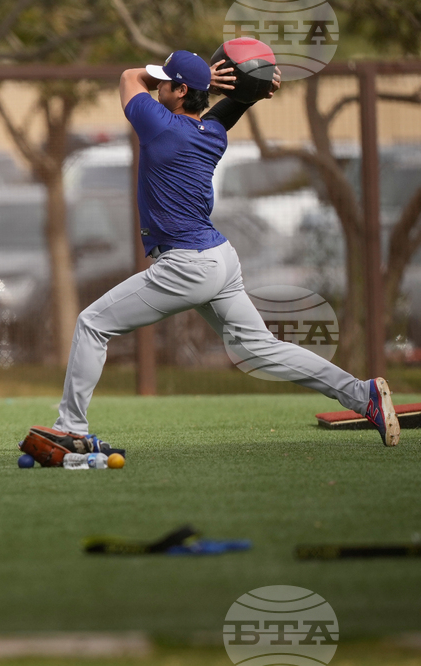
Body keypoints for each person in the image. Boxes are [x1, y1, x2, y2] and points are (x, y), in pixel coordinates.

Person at [51, 50, 400, 447]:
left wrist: (214, 83)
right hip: (219, 260)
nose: (158, 85)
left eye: (167, 82)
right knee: (262, 350)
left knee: (93, 324)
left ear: (181, 91)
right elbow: (219, 113)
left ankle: (70, 429)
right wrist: (240, 89)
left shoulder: (161, 127)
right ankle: (362, 393)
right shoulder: (211, 135)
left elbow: (129, 76)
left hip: (186, 266)